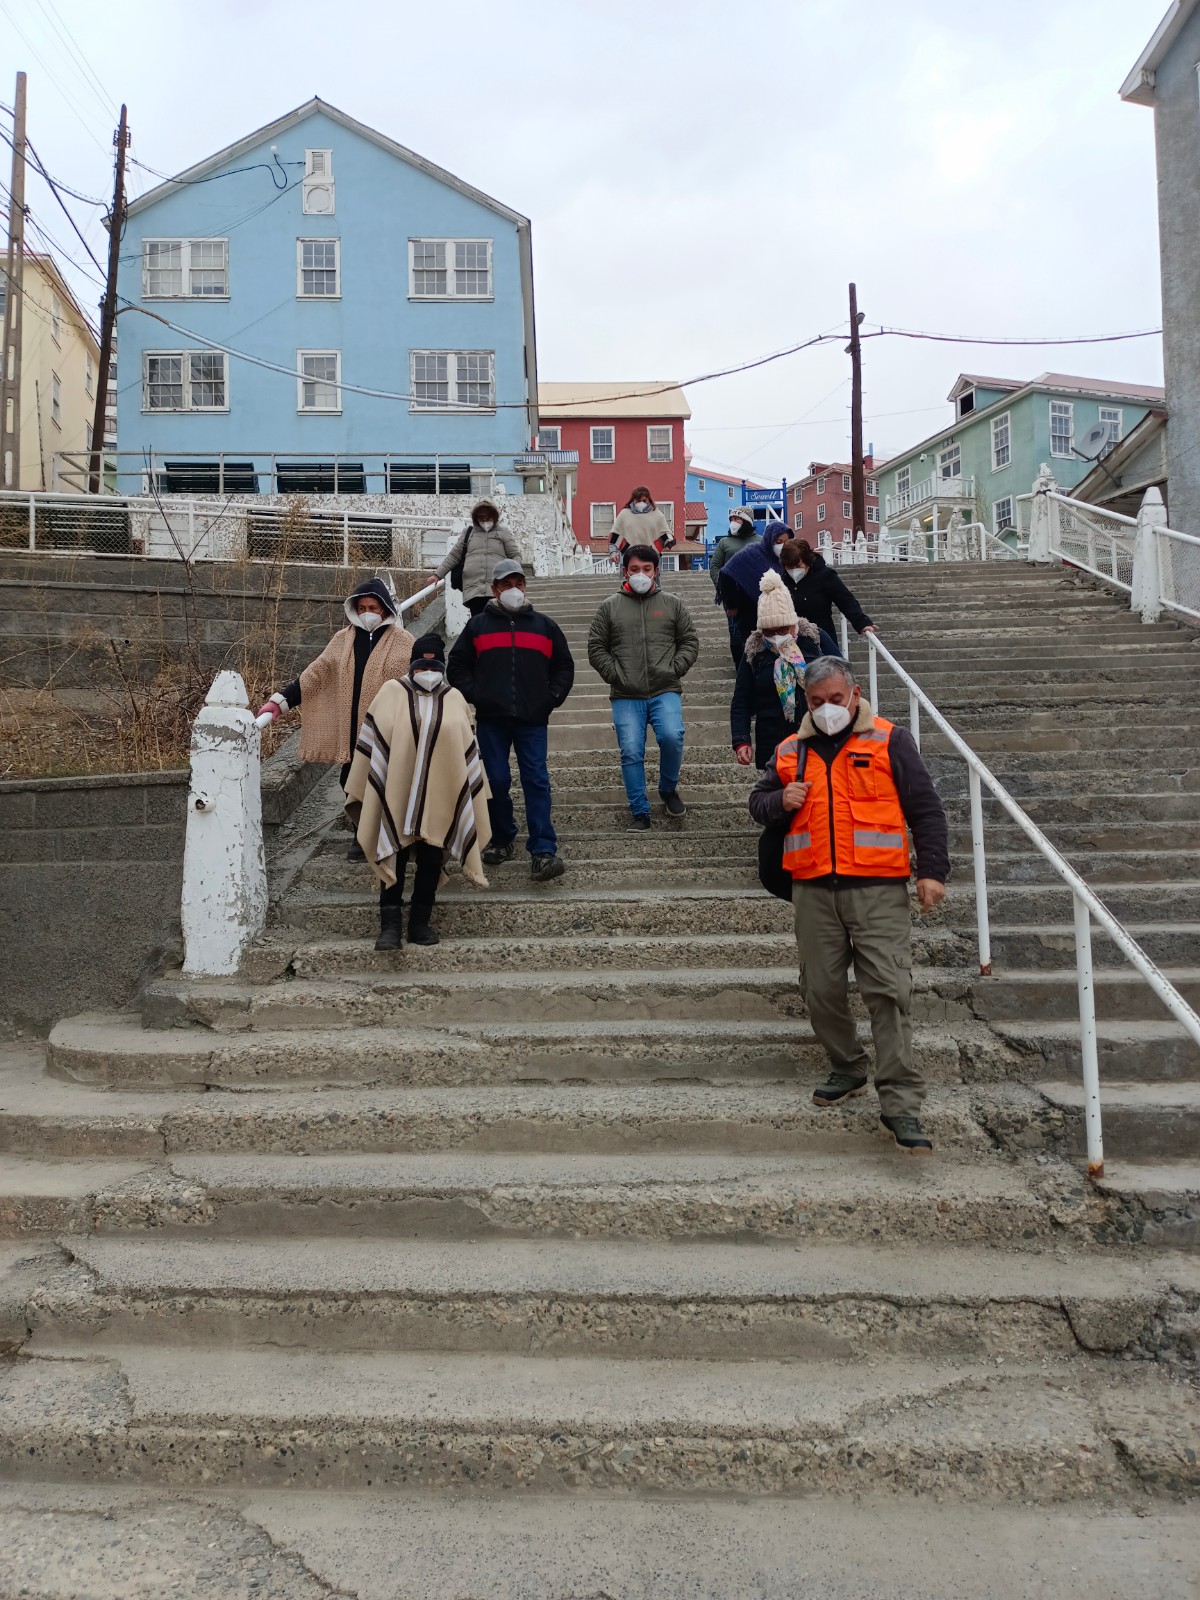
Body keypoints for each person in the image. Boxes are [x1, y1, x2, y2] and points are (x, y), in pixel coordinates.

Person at [747, 655, 949, 1154]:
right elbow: (758, 802)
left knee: (888, 991)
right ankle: (847, 1065)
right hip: (813, 889)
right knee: (820, 990)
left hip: (878, 889)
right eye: (816, 702)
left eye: (836, 700)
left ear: (854, 695)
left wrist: (933, 873)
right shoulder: (791, 749)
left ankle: (901, 1104)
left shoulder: (889, 739)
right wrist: (779, 802)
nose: (827, 709)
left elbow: (925, 807)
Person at [345, 633, 491, 951]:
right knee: (391, 852)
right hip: (395, 792)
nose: (428, 670)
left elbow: (466, 752)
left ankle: (419, 922)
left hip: (440, 796)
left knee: (430, 856)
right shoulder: (390, 693)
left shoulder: (454, 698)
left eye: (434, 663)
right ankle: (390, 925)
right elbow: (374, 743)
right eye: (422, 664)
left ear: (443, 665)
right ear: (412, 664)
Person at [257, 577, 415, 861]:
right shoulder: (343, 640)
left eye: (374, 607)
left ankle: (390, 835)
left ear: (385, 610)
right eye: (363, 606)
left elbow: (417, 681)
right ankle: (361, 834)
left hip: (388, 729)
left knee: (387, 780)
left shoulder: (404, 642)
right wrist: (280, 701)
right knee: (350, 780)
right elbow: (316, 674)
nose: (368, 612)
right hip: (353, 729)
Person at [448, 558, 575, 883]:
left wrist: (551, 698)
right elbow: (457, 666)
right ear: (494, 589)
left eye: (519, 584)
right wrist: (478, 694)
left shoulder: (545, 626)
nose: (514, 590)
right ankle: (501, 838)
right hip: (492, 720)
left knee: (536, 780)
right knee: (497, 781)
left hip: (533, 720)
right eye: (507, 585)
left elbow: (564, 666)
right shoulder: (477, 626)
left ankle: (543, 850)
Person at [587, 543, 699, 830]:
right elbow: (596, 647)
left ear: (656, 571)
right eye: (635, 569)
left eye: (646, 569)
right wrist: (616, 674)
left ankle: (667, 788)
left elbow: (689, 640)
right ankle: (640, 812)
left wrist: (674, 669)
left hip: (665, 689)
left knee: (673, 737)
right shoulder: (609, 606)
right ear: (625, 570)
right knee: (631, 751)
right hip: (626, 693)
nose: (640, 574)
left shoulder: (672, 603)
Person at [731, 574, 836, 770]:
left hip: (818, 734)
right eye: (769, 632)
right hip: (772, 739)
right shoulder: (754, 650)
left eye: (782, 629)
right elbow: (741, 699)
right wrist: (741, 740)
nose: (777, 636)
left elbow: (843, 679)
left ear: (792, 623)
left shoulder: (815, 639)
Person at [715, 519, 795, 668]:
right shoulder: (752, 553)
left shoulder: (791, 559)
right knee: (751, 653)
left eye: (786, 541)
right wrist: (731, 604)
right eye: (778, 541)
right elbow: (726, 574)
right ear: (770, 540)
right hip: (750, 615)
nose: (782, 546)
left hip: (781, 619)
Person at [429, 498, 524, 618]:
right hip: (474, 590)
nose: (485, 521)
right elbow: (454, 555)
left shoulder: (503, 532)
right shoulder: (469, 533)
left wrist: (512, 573)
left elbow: (515, 555)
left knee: (498, 622)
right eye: (481, 518)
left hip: (497, 586)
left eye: (488, 518)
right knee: (479, 623)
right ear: (475, 519)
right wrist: (437, 575)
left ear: (494, 517)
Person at [784, 539, 878, 642]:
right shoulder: (782, 580)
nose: (793, 571)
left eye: (798, 566)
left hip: (822, 638)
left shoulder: (825, 576)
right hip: (790, 641)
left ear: (808, 562)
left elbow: (845, 600)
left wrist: (862, 623)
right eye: (789, 567)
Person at [710, 506, 760, 666]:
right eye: (731, 519)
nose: (733, 522)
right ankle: (741, 669)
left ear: (746, 521)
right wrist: (724, 588)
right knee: (736, 636)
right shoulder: (725, 542)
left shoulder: (760, 541)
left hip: (757, 597)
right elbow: (715, 566)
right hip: (733, 598)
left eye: (737, 519)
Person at [608, 487, 675, 564]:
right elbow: (616, 534)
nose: (641, 503)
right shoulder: (624, 514)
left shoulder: (657, 515)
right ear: (633, 500)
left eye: (644, 500)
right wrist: (613, 553)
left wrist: (668, 542)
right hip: (628, 556)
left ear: (649, 500)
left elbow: (664, 533)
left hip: (651, 556)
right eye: (638, 501)